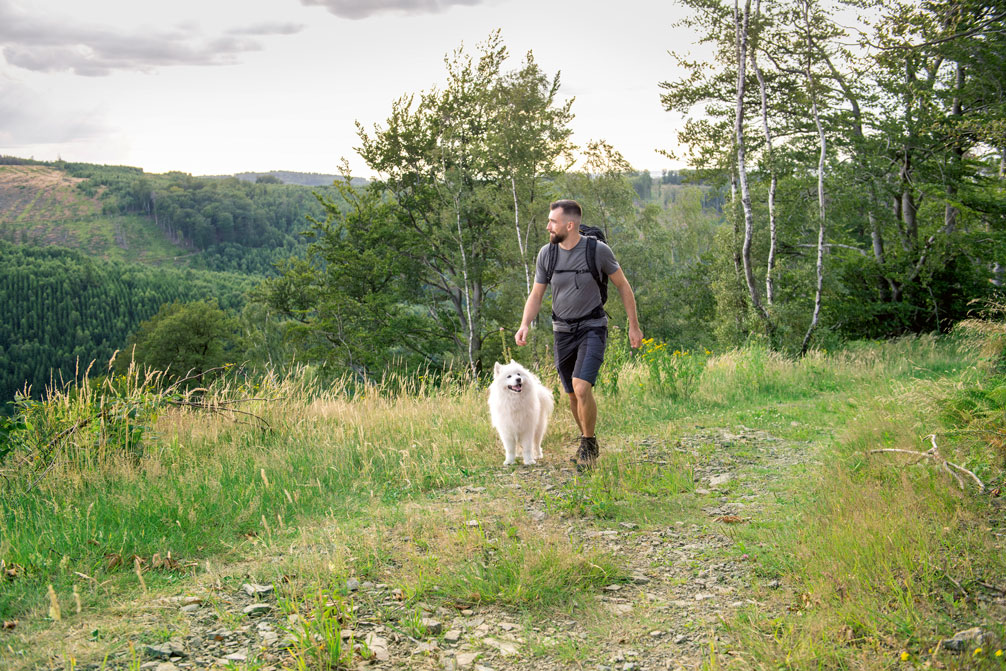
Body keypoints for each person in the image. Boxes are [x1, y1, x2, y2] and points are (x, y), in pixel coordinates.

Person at [514, 199, 643, 468]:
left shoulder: (598, 251)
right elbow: (537, 293)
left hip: (592, 327)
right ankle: (589, 442)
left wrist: (634, 325)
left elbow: (623, 286)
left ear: (570, 225)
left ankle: (587, 444)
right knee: (572, 394)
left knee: (582, 386)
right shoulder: (546, 254)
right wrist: (525, 323)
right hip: (562, 330)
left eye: (553, 222)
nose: (548, 226)